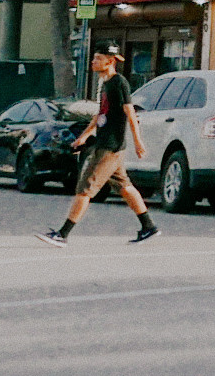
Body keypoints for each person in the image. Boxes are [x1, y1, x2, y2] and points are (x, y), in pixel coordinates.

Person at [37, 47, 156, 247]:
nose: (93, 61)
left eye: (98, 59)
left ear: (110, 62)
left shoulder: (119, 82)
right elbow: (100, 114)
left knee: (85, 189)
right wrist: (83, 137)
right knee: (125, 187)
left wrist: (138, 141)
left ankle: (62, 234)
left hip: (110, 147)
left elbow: (130, 112)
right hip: (106, 145)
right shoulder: (105, 83)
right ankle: (148, 227)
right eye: (94, 58)